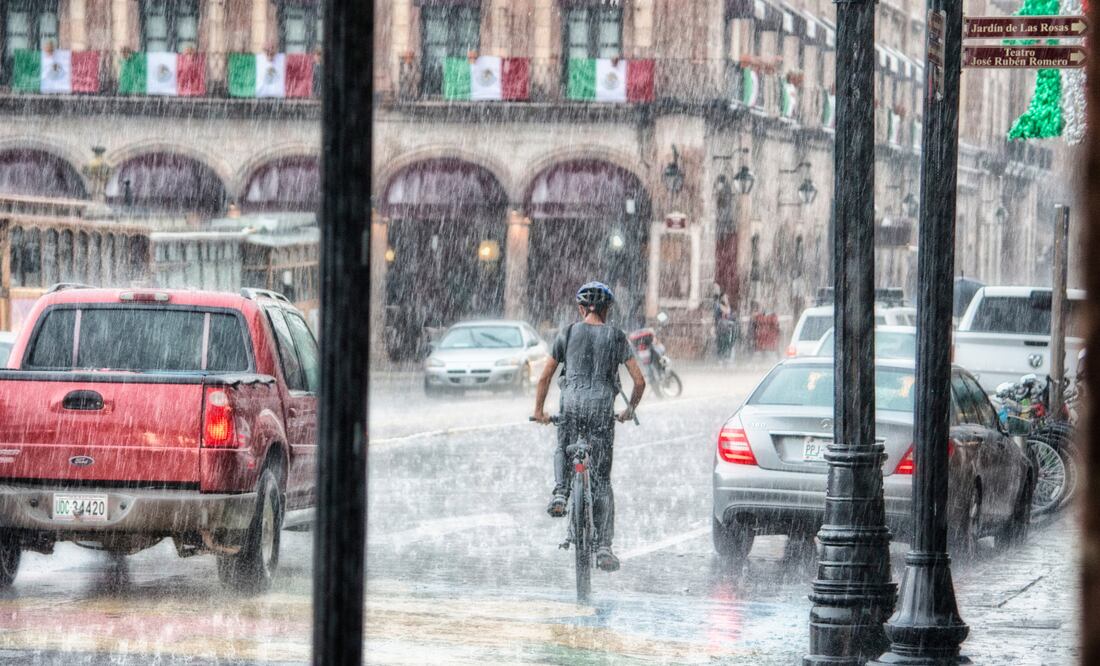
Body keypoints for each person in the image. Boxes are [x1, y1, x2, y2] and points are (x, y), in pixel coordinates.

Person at [533, 281, 646, 572]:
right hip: (601, 412)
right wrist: (629, 409)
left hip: (571, 406)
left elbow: (545, 377)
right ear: (608, 310)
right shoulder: (617, 336)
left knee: (563, 445)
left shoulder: (568, 333)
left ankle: (560, 491)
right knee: (602, 482)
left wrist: (539, 411)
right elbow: (639, 381)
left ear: (581, 308)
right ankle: (604, 547)